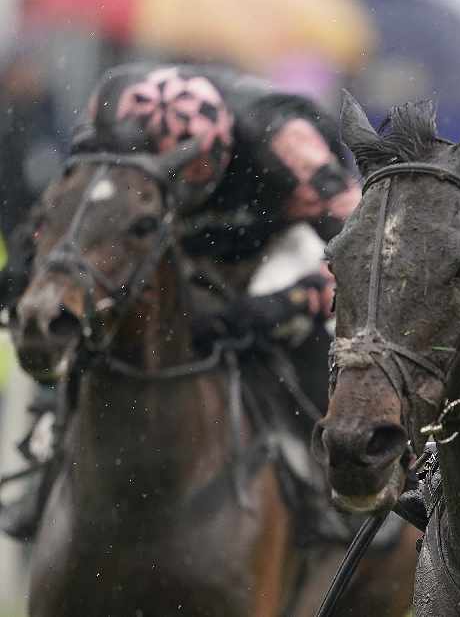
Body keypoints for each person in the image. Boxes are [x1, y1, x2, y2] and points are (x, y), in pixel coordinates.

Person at [0, 63, 360, 540]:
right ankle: (50, 454)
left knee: (279, 325)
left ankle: (325, 477)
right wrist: (27, 264)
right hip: (167, 232)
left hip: (279, 237)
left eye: (191, 177)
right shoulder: (110, 122)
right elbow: (67, 211)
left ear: (222, 149)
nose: (184, 191)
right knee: (98, 304)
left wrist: (281, 305)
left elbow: (362, 253)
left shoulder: (286, 142)